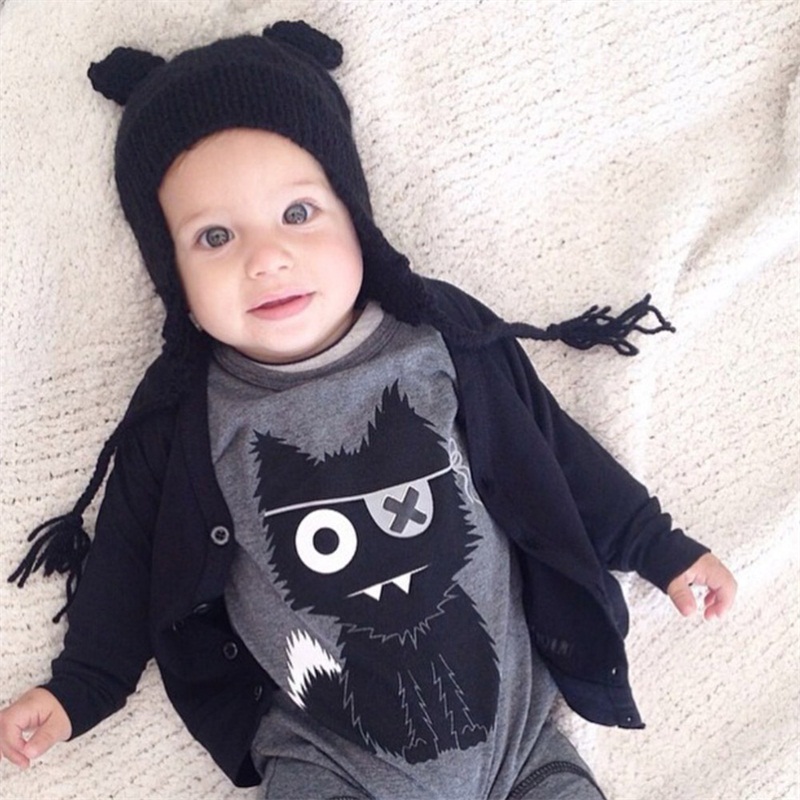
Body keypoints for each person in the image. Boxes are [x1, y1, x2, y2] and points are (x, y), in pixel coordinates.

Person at [0, 21, 736, 800]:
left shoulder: (438, 341)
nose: (266, 257)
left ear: (355, 216)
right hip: (327, 761)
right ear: (169, 271)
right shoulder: (186, 416)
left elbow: (553, 454)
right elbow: (126, 561)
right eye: (214, 236)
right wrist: (78, 689)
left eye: (298, 214)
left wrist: (658, 546)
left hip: (521, 744)